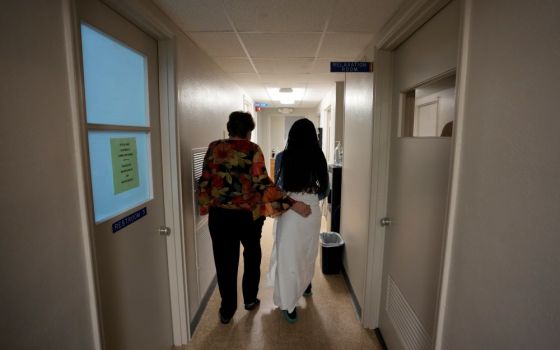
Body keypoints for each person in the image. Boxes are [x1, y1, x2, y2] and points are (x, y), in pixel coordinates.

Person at [198, 111, 311, 324]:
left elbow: (205, 180)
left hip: (220, 217)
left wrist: (205, 207)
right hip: (248, 217)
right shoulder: (252, 150)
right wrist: (293, 204)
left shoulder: (214, 147)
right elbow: (263, 183)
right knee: (252, 255)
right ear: (249, 131)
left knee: (224, 262)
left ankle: (227, 310)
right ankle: (250, 299)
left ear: (229, 127)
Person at [267, 118, 329, 323]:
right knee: (307, 251)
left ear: (291, 136)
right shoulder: (318, 156)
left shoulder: (284, 157)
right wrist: (309, 198)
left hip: (290, 208)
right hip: (311, 210)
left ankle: (288, 304)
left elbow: (277, 188)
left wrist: (295, 199)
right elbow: (325, 190)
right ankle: (306, 284)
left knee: (288, 256)